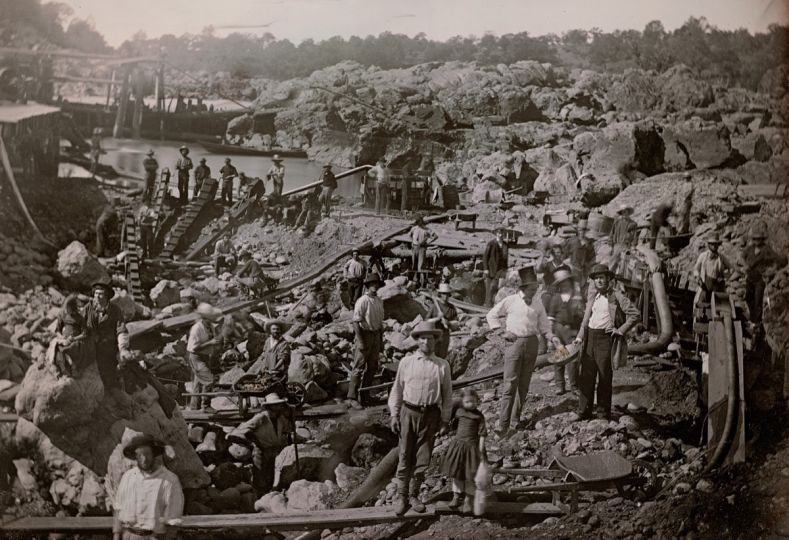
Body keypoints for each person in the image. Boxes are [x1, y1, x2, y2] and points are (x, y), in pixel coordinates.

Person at [486, 266, 561, 436]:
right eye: (532, 288)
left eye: (536, 288)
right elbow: (491, 315)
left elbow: (543, 325)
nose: (535, 291)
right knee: (509, 384)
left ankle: (515, 421)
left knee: (524, 385)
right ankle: (502, 425)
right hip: (514, 344)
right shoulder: (511, 300)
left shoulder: (537, 302)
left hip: (532, 343)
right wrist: (501, 331)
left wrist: (551, 336)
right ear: (523, 288)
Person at [388, 320, 453, 515]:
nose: (427, 342)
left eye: (431, 338)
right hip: (409, 412)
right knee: (405, 454)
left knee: (423, 457)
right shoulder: (406, 363)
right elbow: (397, 390)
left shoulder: (442, 365)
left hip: (431, 415)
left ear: (435, 341)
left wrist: (444, 420)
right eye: (423, 338)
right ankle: (401, 495)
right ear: (417, 341)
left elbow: (448, 395)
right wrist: (394, 414)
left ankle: (414, 494)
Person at [572, 264, 640, 420]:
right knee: (586, 376)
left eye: (602, 278)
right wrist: (579, 338)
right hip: (589, 338)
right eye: (596, 279)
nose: (599, 281)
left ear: (609, 279)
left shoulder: (617, 297)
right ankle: (583, 412)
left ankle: (603, 414)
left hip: (605, 340)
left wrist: (620, 330)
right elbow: (585, 320)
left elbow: (635, 314)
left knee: (604, 377)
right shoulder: (592, 297)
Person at [113, 434, 183, 540]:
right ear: (135, 456)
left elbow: (173, 518)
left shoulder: (169, 480)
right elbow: (118, 508)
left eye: (147, 454)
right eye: (139, 455)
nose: (144, 459)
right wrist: (116, 534)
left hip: (153, 536)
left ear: (154, 454)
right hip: (128, 535)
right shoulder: (128, 477)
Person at [440, 388, 487, 513]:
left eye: (473, 401)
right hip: (458, 446)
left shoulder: (479, 416)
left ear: (477, 401)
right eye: (467, 402)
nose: (470, 404)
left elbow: (482, 433)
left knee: (470, 474)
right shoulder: (459, 412)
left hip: (472, 448)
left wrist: (481, 449)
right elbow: (453, 425)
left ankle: (468, 499)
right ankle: (456, 496)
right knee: (457, 472)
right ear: (462, 402)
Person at [82, 280, 131, 390]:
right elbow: (79, 322)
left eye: (100, 294)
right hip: (91, 345)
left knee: (108, 377)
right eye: (95, 294)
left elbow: (121, 329)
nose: (97, 297)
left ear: (107, 296)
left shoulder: (115, 310)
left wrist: (123, 348)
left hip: (108, 348)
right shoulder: (88, 307)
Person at [543, 267, 584, 394]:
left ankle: (574, 385)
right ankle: (560, 385)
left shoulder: (577, 297)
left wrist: (579, 310)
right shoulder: (555, 298)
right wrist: (550, 338)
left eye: (566, 281)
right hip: (558, 329)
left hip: (572, 330)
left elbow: (583, 315)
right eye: (561, 283)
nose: (564, 284)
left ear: (570, 282)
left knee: (573, 359)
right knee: (560, 356)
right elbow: (550, 318)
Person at [347, 272, 385, 409]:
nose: (374, 287)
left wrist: (380, 342)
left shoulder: (379, 301)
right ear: (368, 286)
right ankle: (352, 397)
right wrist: (361, 341)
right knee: (358, 367)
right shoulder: (362, 301)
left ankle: (365, 395)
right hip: (364, 334)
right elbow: (356, 322)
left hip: (375, 335)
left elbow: (380, 324)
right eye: (372, 284)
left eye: (376, 284)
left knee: (373, 367)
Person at [741, 224, 787, 324]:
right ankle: (752, 318)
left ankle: (757, 323)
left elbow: (778, 260)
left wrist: (771, 270)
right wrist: (745, 265)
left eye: (759, 239)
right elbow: (742, 257)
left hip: (759, 278)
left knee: (758, 300)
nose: (757, 241)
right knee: (749, 298)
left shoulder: (766, 249)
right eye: (755, 239)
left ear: (762, 240)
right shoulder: (750, 249)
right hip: (750, 277)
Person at [186, 303, 222, 412]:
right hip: (196, 357)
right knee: (209, 380)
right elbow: (194, 348)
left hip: (206, 356)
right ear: (204, 318)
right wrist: (210, 343)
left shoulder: (210, 327)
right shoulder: (196, 329)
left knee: (198, 383)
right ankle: (205, 406)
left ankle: (194, 408)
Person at [246, 320, 291, 395]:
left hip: (277, 372)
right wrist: (260, 366)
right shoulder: (268, 341)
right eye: (273, 329)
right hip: (267, 370)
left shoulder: (283, 343)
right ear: (270, 331)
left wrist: (275, 368)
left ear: (280, 330)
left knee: (275, 389)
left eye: (277, 329)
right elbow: (264, 354)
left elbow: (282, 359)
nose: (276, 331)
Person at [692, 232, 734, 310]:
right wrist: (697, 277)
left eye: (716, 244)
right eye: (712, 244)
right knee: (699, 305)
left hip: (717, 287)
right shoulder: (703, 256)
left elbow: (731, 269)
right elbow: (696, 269)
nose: (714, 246)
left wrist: (725, 277)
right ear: (708, 245)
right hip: (705, 286)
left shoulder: (721, 258)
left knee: (718, 307)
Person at [426, 282, 457, 358]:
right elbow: (426, 321)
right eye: (443, 294)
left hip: (445, 336)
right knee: (433, 357)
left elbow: (456, 323)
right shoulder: (434, 306)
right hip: (435, 335)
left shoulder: (452, 308)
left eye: (447, 294)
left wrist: (448, 323)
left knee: (442, 357)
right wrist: (437, 318)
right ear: (440, 294)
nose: (445, 296)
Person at [564, 220, 596, 293]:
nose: (582, 232)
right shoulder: (571, 241)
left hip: (583, 272)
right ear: (578, 230)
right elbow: (563, 254)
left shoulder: (589, 244)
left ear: (586, 231)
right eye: (580, 230)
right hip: (572, 269)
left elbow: (592, 258)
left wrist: (588, 266)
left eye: (584, 230)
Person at [482, 228, 509, 307]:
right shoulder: (491, 244)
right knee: (490, 288)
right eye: (499, 233)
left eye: (502, 233)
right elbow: (485, 257)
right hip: (491, 269)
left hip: (501, 270)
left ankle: (495, 304)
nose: (500, 235)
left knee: (498, 287)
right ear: (496, 234)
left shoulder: (505, 245)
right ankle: (487, 304)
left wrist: (506, 269)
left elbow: (506, 258)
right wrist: (486, 269)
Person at [609, 205, 638, 274]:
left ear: (628, 212)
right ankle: (608, 276)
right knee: (613, 263)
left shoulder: (633, 224)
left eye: (625, 212)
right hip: (617, 245)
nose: (624, 213)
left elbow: (635, 236)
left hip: (627, 247)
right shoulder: (617, 222)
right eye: (622, 212)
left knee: (625, 264)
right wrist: (610, 244)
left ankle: (621, 279)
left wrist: (633, 246)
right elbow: (611, 233)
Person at [409, 216, 438, 287]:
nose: (417, 224)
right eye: (416, 222)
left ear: (421, 221)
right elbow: (409, 235)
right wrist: (412, 242)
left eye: (418, 222)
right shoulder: (414, 228)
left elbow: (436, 236)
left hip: (422, 248)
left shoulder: (427, 229)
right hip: (414, 247)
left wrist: (428, 243)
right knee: (414, 264)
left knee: (421, 265)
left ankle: (421, 282)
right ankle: (414, 281)